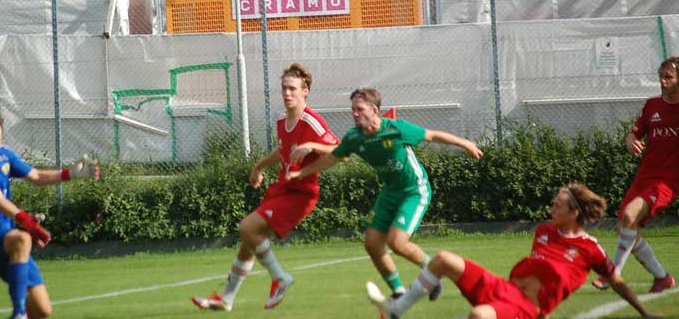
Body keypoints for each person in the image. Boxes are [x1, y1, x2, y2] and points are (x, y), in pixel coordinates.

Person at [287, 88, 483, 301]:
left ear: (374, 110)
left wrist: (466, 144)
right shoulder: (354, 138)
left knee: (397, 243)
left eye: (360, 109)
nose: (354, 114)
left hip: (414, 191)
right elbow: (332, 158)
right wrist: (301, 173)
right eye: (353, 109)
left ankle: (434, 272)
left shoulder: (396, 129)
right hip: (389, 193)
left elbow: (432, 135)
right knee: (372, 243)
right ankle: (398, 291)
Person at [366, 184, 659, 319]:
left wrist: (644, 312)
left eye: (557, 205)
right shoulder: (544, 231)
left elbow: (616, 280)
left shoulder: (590, 249)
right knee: (443, 259)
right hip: (503, 290)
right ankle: (395, 311)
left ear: (574, 213)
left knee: (480, 315)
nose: (551, 208)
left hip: (525, 309)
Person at [191, 62, 339, 311]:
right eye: (284, 88)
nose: (287, 93)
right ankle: (226, 299)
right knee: (248, 242)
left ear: (305, 91)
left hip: (301, 194)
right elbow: (282, 151)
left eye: (292, 88)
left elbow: (339, 151)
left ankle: (280, 278)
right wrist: (258, 166)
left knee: (246, 228)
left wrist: (313, 146)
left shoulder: (311, 121)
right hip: (283, 189)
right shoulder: (282, 119)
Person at [0, 102, 100, 319]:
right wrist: (25, 219)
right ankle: (19, 314)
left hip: (6, 238)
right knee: (22, 239)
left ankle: (24, 314)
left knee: (42, 310)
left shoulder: (4, 155)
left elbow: (37, 176)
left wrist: (69, 174)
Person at [593, 56, 679, 293]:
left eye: (668, 77)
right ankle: (662, 278)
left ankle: (612, 275)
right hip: (644, 177)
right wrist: (631, 141)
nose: (663, 81)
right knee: (626, 227)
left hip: (668, 181)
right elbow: (634, 134)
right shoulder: (652, 106)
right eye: (661, 77)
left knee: (630, 216)